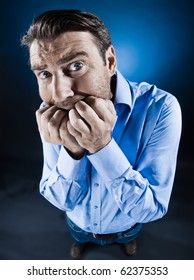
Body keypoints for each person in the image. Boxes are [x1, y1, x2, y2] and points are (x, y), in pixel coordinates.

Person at [21, 9, 182, 259]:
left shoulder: (160, 108)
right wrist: (72, 151)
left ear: (110, 62)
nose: (61, 94)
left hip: (127, 227)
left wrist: (101, 146)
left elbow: (151, 209)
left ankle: (128, 244)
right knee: (79, 238)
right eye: (45, 73)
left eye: (76, 66)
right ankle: (80, 242)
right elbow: (60, 200)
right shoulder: (50, 109)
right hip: (78, 224)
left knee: (129, 240)